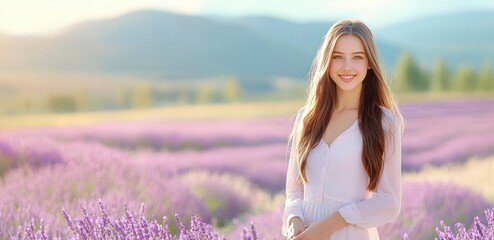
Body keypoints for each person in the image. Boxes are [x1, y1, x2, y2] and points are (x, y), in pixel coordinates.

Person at [281, 19, 404, 240]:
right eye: (338, 57)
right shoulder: (307, 118)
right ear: (327, 62)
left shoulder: (383, 121)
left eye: (357, 57)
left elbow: (389, 202)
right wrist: (294, 219)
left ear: (369, 63)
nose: (347, 66)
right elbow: (295, 189)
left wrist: (329, 225)